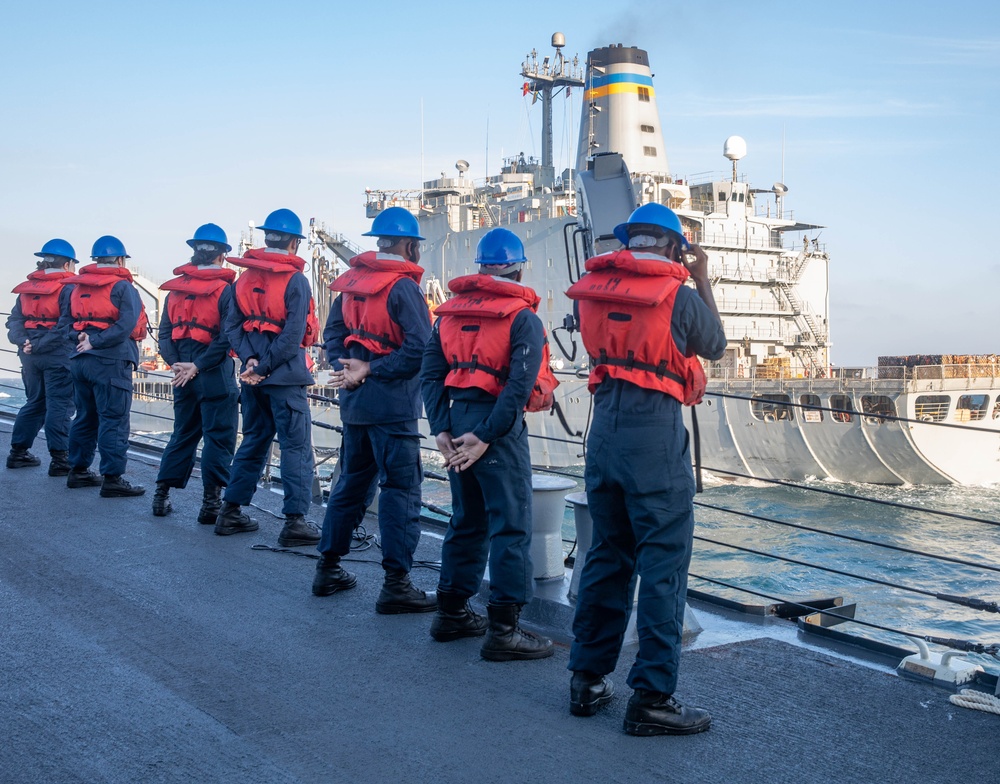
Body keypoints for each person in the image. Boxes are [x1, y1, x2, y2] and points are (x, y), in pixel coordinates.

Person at [565, 203, 726, 735]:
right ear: (675, 247)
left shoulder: (593, 291)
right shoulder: (677, 294)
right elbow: (714, 345)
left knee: (607, 558)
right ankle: (653, 698)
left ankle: (586, 682)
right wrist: (701, 279)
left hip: (603, 433)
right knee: (662, 566)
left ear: (627, 241)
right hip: (654, 439)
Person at [421, 227, 560, 660]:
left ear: (480, 267)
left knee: (466, 520)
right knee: (511, 524)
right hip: (496, 428)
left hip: (457, 420)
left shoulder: (448, 316)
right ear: (519, 267)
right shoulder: (524, 318)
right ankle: (504, 631)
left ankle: (451, 613)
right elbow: (518, 389)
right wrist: (484, 437)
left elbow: (430, 375)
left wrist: (442, 429)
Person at [313, 206, 434, 615]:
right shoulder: (404, 289)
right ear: (410, 247)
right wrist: (371, 368)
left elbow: (332, 333)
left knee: (349, 486)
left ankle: (327, 568)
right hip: (393, 407)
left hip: (355, 405)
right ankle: (396, 585)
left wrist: (345, 367)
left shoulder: (352, 285)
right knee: (401, 491)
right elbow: (420, 349)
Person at [217, 209, 322, 548]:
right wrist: (264, 366)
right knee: (295, 447)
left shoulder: (242, 280)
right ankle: (295, 521)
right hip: (284, 377)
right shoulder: (297, 281)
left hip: (250, 378)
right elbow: (292, 336)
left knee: (253, 440)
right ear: (294, 242)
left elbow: (232, 326)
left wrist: (250, 360)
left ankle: (230, 511)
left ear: (266, 238)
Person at [151, 224, 238, 524]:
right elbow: (227, 336)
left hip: (181, 374)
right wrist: (197, 366)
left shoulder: (175, 290)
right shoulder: (225, 290)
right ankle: (210, 506)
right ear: (222, 256)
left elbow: (164, 333)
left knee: (182, 434)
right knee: (218, 438)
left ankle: (161, 496)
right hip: (212, 372)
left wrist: (176, 363)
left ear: (194, 252)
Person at [63, 235, 149, 497]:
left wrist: (80, 338)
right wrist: (97, 341)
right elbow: (125, 326)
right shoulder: (123, 288)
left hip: (79, 361)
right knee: (114, 419)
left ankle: (78, 471)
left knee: (85, 416)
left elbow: (64, 323)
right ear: (121, 260)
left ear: (95, 260)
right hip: (110, 362)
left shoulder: (76, 288)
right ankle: (112, 479)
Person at [5, 239, 79, 475]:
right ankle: (60, 460)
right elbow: (66, 324)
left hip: (29, 355)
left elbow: (14, 320)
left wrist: (24, 342)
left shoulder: (28, 287)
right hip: (56, 355)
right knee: (60, 405)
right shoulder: (68, 288)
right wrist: (38, 345)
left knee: (35, 402)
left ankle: (17, 453)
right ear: (67, 264)